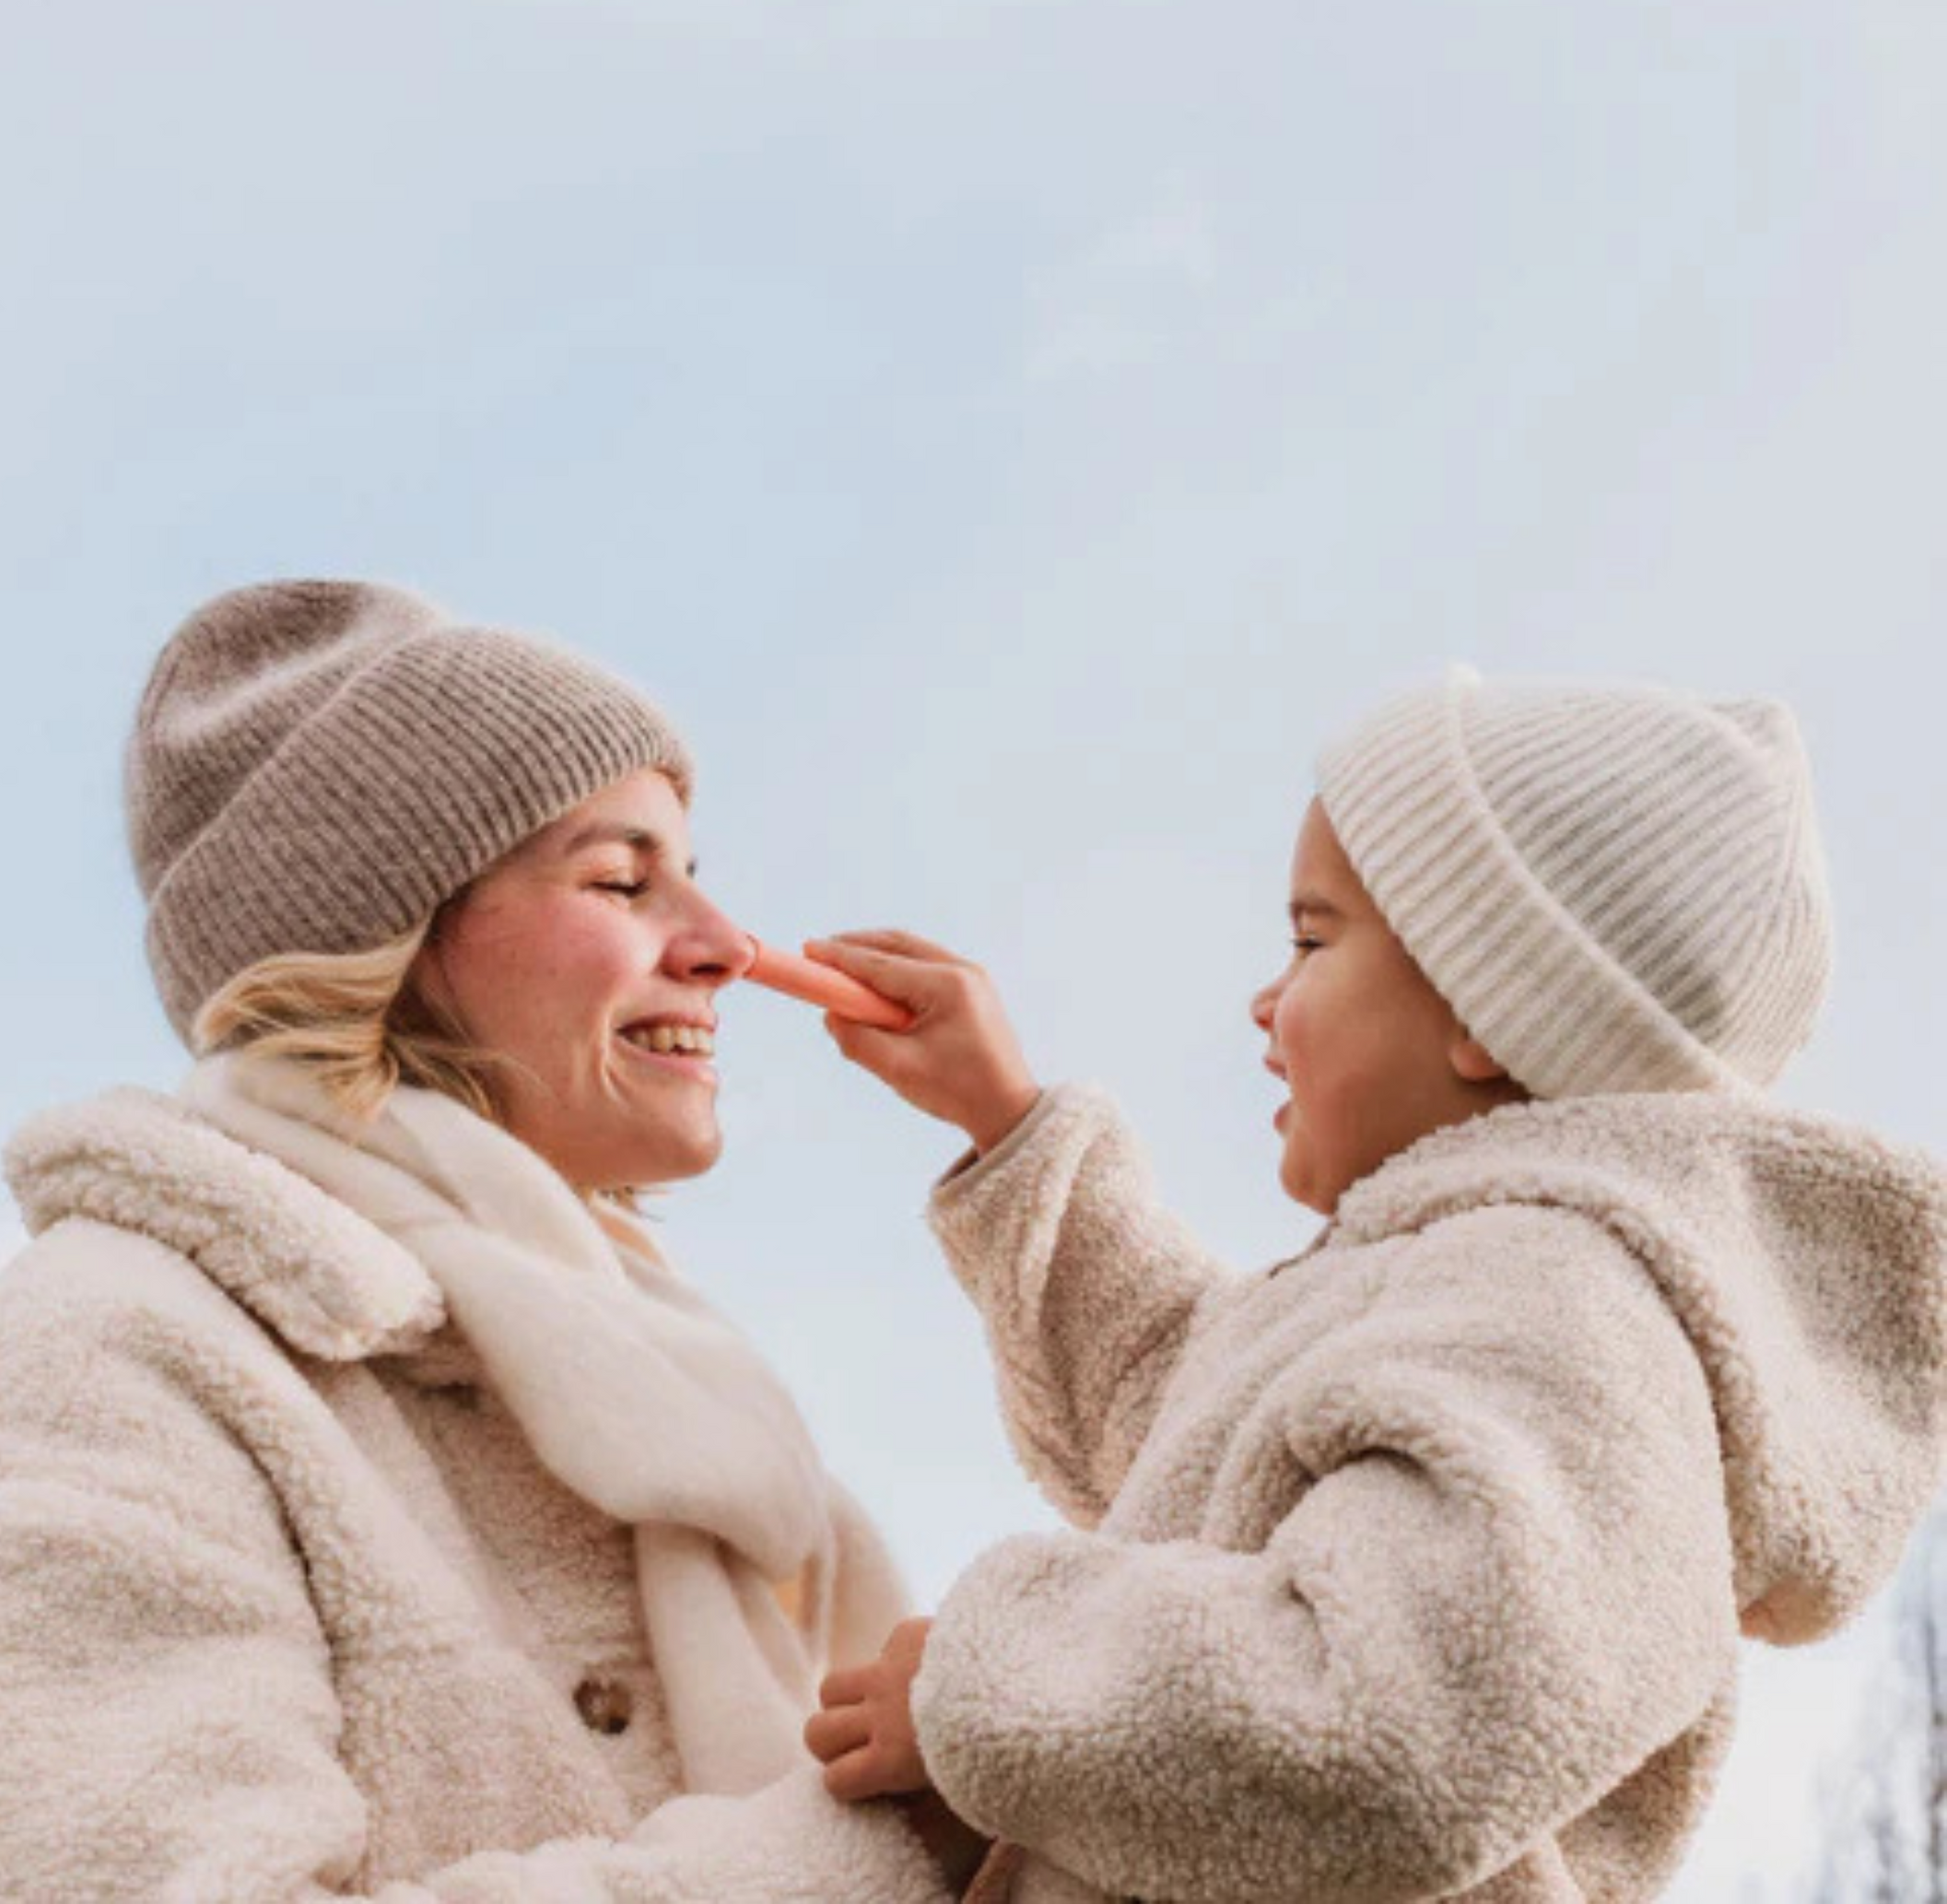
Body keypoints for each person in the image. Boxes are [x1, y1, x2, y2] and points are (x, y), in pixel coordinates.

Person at [802, 668, 1947, 1902]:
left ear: (1489, 1009)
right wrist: (1008, 1124)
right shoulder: (1457, 1295)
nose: (1264, 999)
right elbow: (1188, 1419)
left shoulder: (1569, 1308)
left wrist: (986, 1689)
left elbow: (1388, 1720)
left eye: (1310, 939)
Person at [0, 580, 978, 1901]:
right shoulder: (106, 1358)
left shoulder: (697, 1403)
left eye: (693, 877)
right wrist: (879, 1850)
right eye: (619, 880)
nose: (724, 947)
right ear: (388, 943)